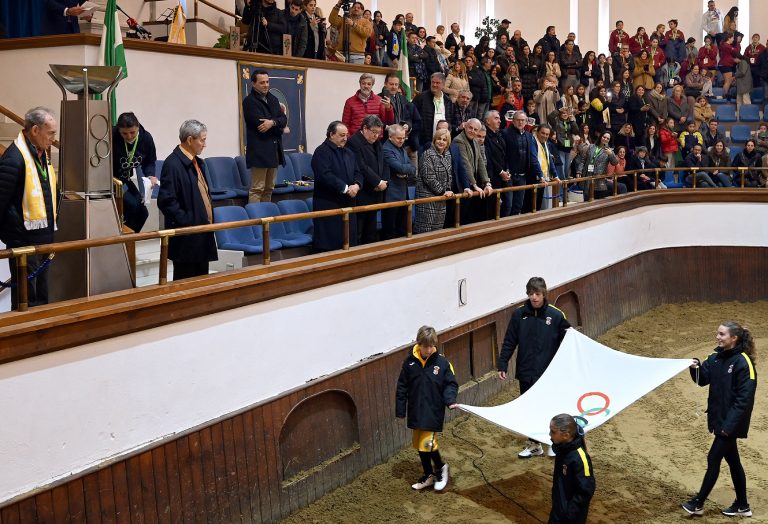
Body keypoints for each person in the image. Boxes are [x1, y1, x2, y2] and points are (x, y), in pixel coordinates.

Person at [682, 321, 757, 518]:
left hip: (730, 424)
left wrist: (728, 427)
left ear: (734, 338)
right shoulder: (715, 358)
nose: (718, 337)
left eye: (722, 334)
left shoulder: (743, 362)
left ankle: (697, 503)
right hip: (719, 420)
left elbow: (744, 400)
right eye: (718, 333)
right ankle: (742, 505)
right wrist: (696, 367)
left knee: (713, 458)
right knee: (733, 462)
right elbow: (702, 380)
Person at [497, 277, 570, 458]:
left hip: (548, 372)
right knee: (529, 407)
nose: (534, 298)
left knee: (549, 407)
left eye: (537, 294)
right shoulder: (519, 315)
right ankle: (534, 444)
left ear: (544, 294)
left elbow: (569, 341)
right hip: (526, 371)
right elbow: (509, 341)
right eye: (531, 294)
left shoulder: (556, 315)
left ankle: (553, 443)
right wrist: (503, 363)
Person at [0, 107, 58, 308]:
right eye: (50, 133)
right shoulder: (15, 158)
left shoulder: (42, 155)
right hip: (23, 242)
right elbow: (2, 201)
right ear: (35, 130)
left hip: (43, 239)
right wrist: (12, 237)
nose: (53, 139)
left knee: (41, 297)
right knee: (26, 300)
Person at [396, 325, 458, 492]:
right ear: (419, 344)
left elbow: (450, 384)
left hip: (433, 410)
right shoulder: (409, 363)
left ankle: (441, 468)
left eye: (431, 346)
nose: (429, 350)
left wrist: (450, 400)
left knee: (427, 443)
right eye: (425, 346)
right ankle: (429, 475)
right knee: (419, 444)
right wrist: (400, 410)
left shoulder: (443, 363)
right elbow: (402, 387)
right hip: (416, 410)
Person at [157, 120, 217, 280]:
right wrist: (188, 221)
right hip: (187, 238)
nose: (205, 144)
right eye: (202, 140)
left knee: (202, 284)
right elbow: (166, 201)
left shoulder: (198, 162)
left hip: (202, 234)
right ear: (190, 140)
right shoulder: (173, 164)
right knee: (185, 286)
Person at [311, 121, 362, 251]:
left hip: (349, 201)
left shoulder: (349, 152)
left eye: (346, 135)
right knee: (331, 242)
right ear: (331, 134)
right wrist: (345, 188)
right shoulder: (321, 152)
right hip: (329, 202)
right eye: (341, 135)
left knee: (349, 240)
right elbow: (324, 175)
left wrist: (356, 185)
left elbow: (358, 172)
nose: (345, 138)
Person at [243, 70, 287, 204]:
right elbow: (260, 126)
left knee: (269, 188)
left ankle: (266, 219)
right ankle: (256, 220)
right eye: (262, 82)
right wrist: (279, 128)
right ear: (253, 84)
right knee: (257, 188)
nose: (266, 85)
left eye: (267, 82)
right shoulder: (249, 101)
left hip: (274, 151)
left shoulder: (273, 99)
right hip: (259, 152)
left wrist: (272, 122)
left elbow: (283, 119)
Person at [111, 112, 158, 233]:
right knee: (132, 206)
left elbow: (149, 161)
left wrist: (151, 175)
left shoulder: (146, 138)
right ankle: (122, 238)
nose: (129, 136)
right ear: (119, 130)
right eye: (124, 133)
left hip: (125, 179)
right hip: (111, 180)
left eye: (132, 132)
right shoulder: (111, 135)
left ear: (138, 127)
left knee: (143, 213)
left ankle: (128, 241)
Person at [346, 115, 388, 245]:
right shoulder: (353, 142)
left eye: (378, 133)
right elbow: (361, 166)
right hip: (363, 193)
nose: (376, 136)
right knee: (360, 231)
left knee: (371, 231)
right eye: (374, 132)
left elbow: (384, 162)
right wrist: (377, 182)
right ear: (365, 128)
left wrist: (383, 181)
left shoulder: (377, 142)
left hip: (376, 192)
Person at [549, 413, 596, 523]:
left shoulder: (579, 458)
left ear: (566, 435)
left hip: (570, 517)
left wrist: (569, 514)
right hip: (559, 509)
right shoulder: (562, 449)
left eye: (553, 431)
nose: (549, 434)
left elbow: (586, 490)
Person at [414, 129, 454, 234]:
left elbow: (449, 174)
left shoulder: (448, 155)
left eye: (444, 140)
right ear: (434, 140)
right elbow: (429, 177)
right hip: (427, 199)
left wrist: (448, 189)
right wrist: (442, 191)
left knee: (437, 232)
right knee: (424, 232)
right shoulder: (428, 154)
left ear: (448, 142)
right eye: (439, 139)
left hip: (441, 199)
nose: (441, 142)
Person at [453, 118, 492, 223]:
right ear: (465, 126)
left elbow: (480, 162)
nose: (472, 131)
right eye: (470, 128)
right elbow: (465, 164)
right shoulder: (458, 140)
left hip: (471, 182)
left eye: (475, 129)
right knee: (462, 217)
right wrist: (474, 185)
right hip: (461, 183)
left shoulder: (475, 140)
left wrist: (487, 182)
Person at [382, 124, 414, 239]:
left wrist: (405, 170)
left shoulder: (401, 148)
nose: (402, 141)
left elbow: (413, 168)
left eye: (404, 138)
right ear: (390, 137)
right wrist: (405, 169)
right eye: (399, 138)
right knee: (390, 231)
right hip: (392, 195)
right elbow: (399, 168)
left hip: (403, 193)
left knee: (402, 229)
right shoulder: (386, 149)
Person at [412, 73, 455, 148]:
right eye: (433, 82)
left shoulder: (447, 101)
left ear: (443, 84)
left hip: (442, 141)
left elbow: (449, 119)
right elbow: (412, 116)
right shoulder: (421, 98)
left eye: (437, 83)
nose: (434, 85)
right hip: (424, 141)